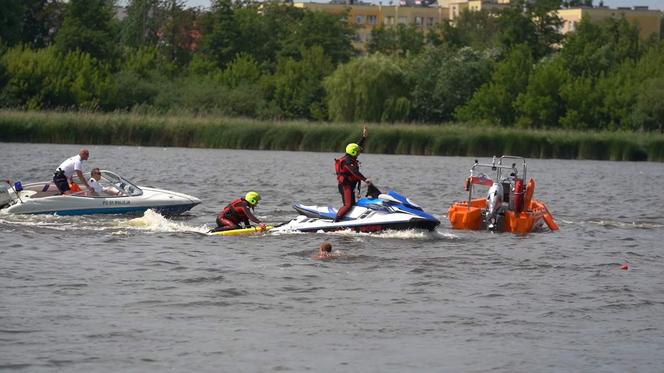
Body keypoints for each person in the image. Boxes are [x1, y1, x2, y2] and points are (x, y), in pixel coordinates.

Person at [334, 126, 371, 222]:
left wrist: (364, 137)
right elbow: (355, 172)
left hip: (350, 186)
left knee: (352, 205)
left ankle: (347, 220)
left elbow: (357, 146)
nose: (359, 152)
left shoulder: (351, 157)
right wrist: (365, 179)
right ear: (353, 152)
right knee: (348, 205)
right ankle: (336, 222)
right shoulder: (347, 161)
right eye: (358, 152)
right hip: (345, 186)